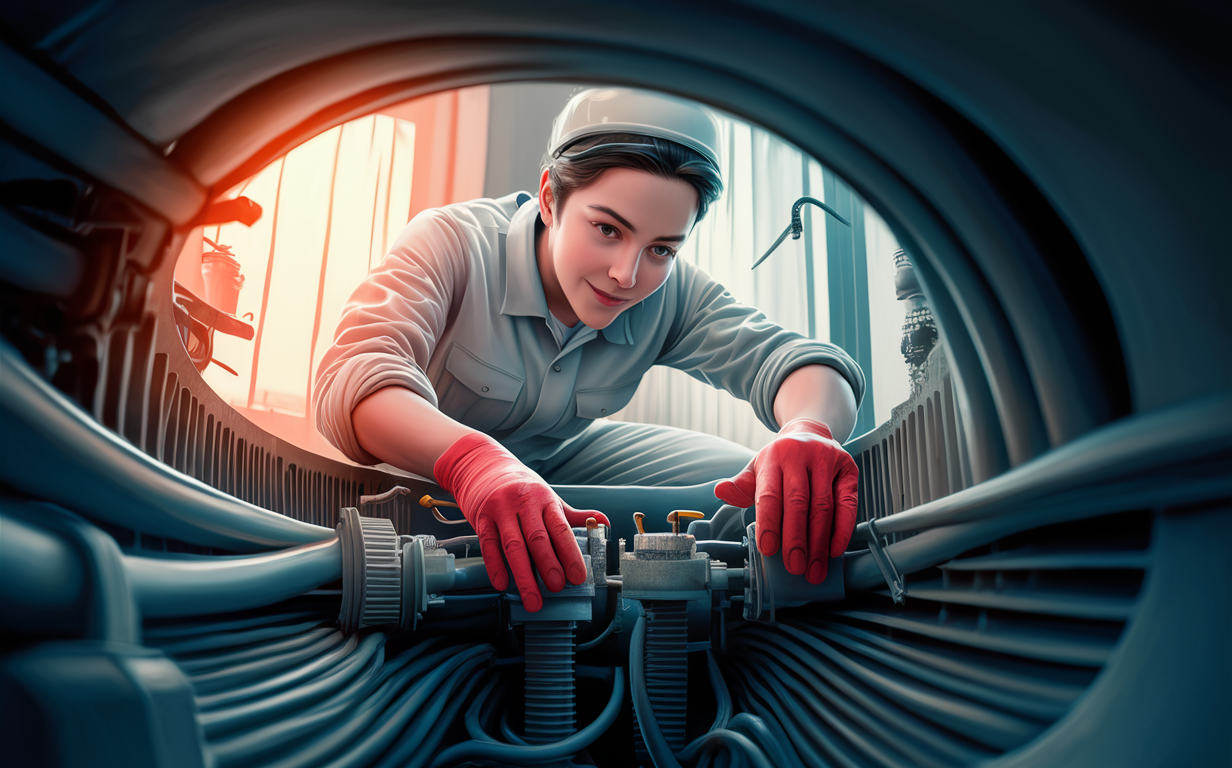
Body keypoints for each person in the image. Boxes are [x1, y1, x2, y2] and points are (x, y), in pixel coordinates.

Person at [314, 87, 865, 612]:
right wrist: (475, 464)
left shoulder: (671, 292)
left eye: (660, 249)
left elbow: (796, 361)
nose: (627, 274)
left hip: (557, 462)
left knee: (741, 485)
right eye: (606, 229)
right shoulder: (453, 243)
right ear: (551, 197)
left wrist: (808, 429)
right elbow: (356, 375)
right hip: (427, 479)